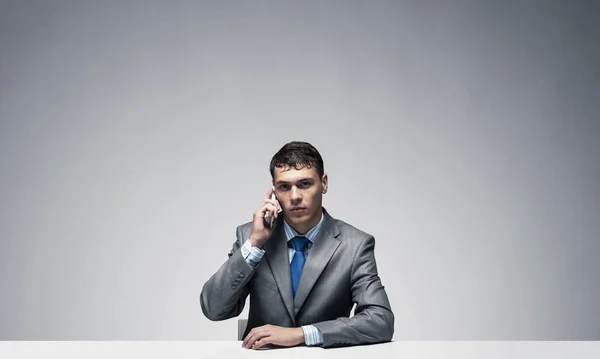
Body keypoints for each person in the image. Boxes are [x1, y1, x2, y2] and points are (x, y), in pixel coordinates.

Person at [200, 141, 394, 349]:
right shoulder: (250, 236)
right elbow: (213, 309)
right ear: (274, 191)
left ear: (324, 183)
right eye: (284, 187)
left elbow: (380, 319)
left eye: (304, 184)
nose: (294, 197)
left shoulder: (355, 244)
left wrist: (303, 334)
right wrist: (254, 245)